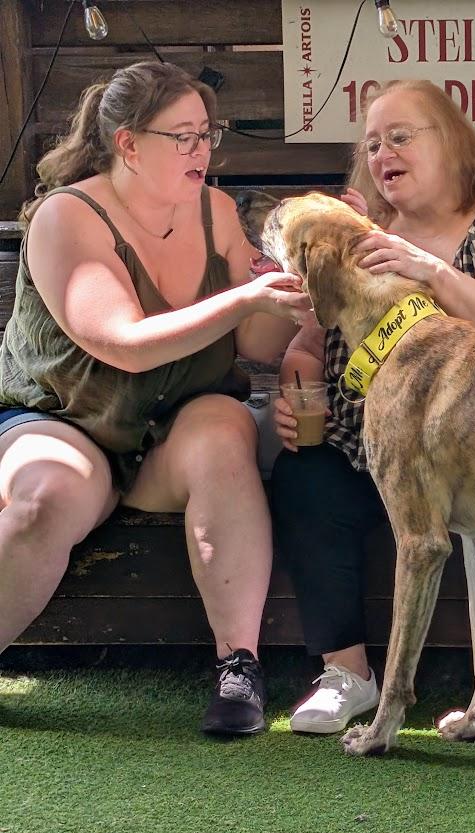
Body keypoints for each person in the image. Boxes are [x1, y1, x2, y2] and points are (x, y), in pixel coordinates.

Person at [271, 79, 475, 750]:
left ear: (449, 140)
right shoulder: (367, 235)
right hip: (387, 449)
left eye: (400, 135)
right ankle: (346, 672)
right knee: (308, 478)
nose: (383, 150)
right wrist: (299, 362)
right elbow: (319, 338)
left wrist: (430, 270)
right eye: (372, 142)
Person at [0, 61, 312, 737]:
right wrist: (243, 297)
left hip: (174, 426)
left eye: (208, 134)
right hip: (65, 419)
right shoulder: (66, 217)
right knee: (42, 499)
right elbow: (124, 342)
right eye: (183, 137)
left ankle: (240, 666)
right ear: (129, 145)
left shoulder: (219, 211)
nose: (202, 151)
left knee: (227, 432)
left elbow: (255, 344)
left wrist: (291, 290)